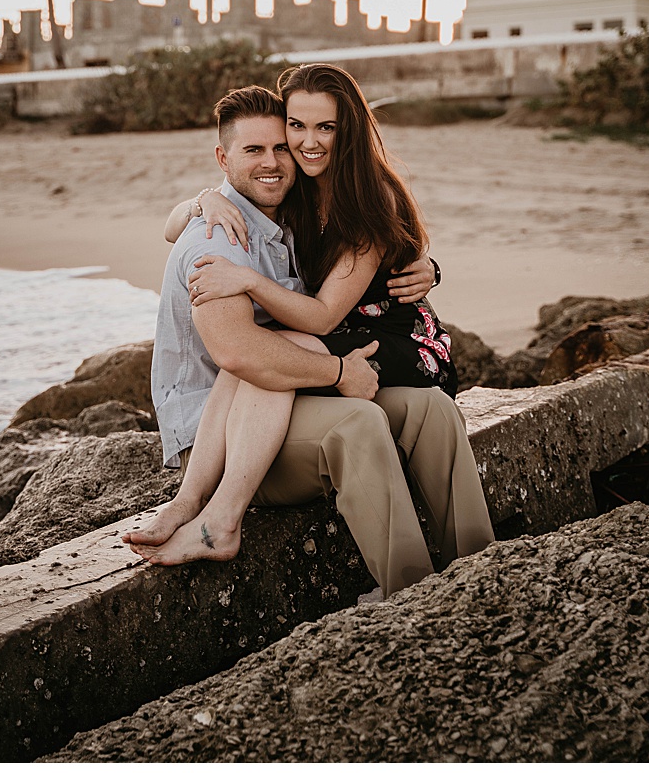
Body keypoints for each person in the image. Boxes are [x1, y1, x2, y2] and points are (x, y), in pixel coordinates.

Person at [125, 77, 493, 596]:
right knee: (357, 423)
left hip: (287, 396)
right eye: (257, 148)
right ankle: (410, 593)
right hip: (219, 439)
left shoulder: (295, 213)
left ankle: (482, 567)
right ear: (223, 159)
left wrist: (425, 267)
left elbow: (352, 281)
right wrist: (202, 202)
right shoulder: (219, 241)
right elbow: (241, 355)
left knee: (432, 409)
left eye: (284, 144)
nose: (279, 157)